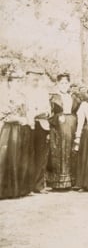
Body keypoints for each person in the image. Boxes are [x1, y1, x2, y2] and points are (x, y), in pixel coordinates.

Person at [0, 69, 33, 199]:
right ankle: (5, 190)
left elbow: (27, 111)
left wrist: (27, 120)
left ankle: (18, 190)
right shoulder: (4, 95)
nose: (18, 83)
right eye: (15, 81)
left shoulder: (23, 96)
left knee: (20, 157)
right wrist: (19, 119)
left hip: (22, 129)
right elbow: (4, 115)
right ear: (10, 82)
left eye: (20, 81)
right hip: (9, 129)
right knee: (7, 157)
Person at [48, 73, 81, 190]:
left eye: (66, 83)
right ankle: (58, 182)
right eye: (61, 83)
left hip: (71, 125)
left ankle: (70, 181)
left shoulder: (74, 97)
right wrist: (57, 118)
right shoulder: (53, 97)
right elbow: (49, 114)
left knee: (71, 150)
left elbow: (78, 112)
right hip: (58, 127)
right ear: (58, 84)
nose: (64, 85)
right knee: (59, 151)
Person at [25, 69, 51, 194]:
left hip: (41, 124)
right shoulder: (23, 92)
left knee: (41, 155)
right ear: (27, 78)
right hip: (28, 125)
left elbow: (48, 110)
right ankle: (27, 186)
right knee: (28, 154)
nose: (35, 81)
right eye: (32, 79)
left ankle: (39, 185)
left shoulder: (44, 92)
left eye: (37, 79)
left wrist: (45, 113)